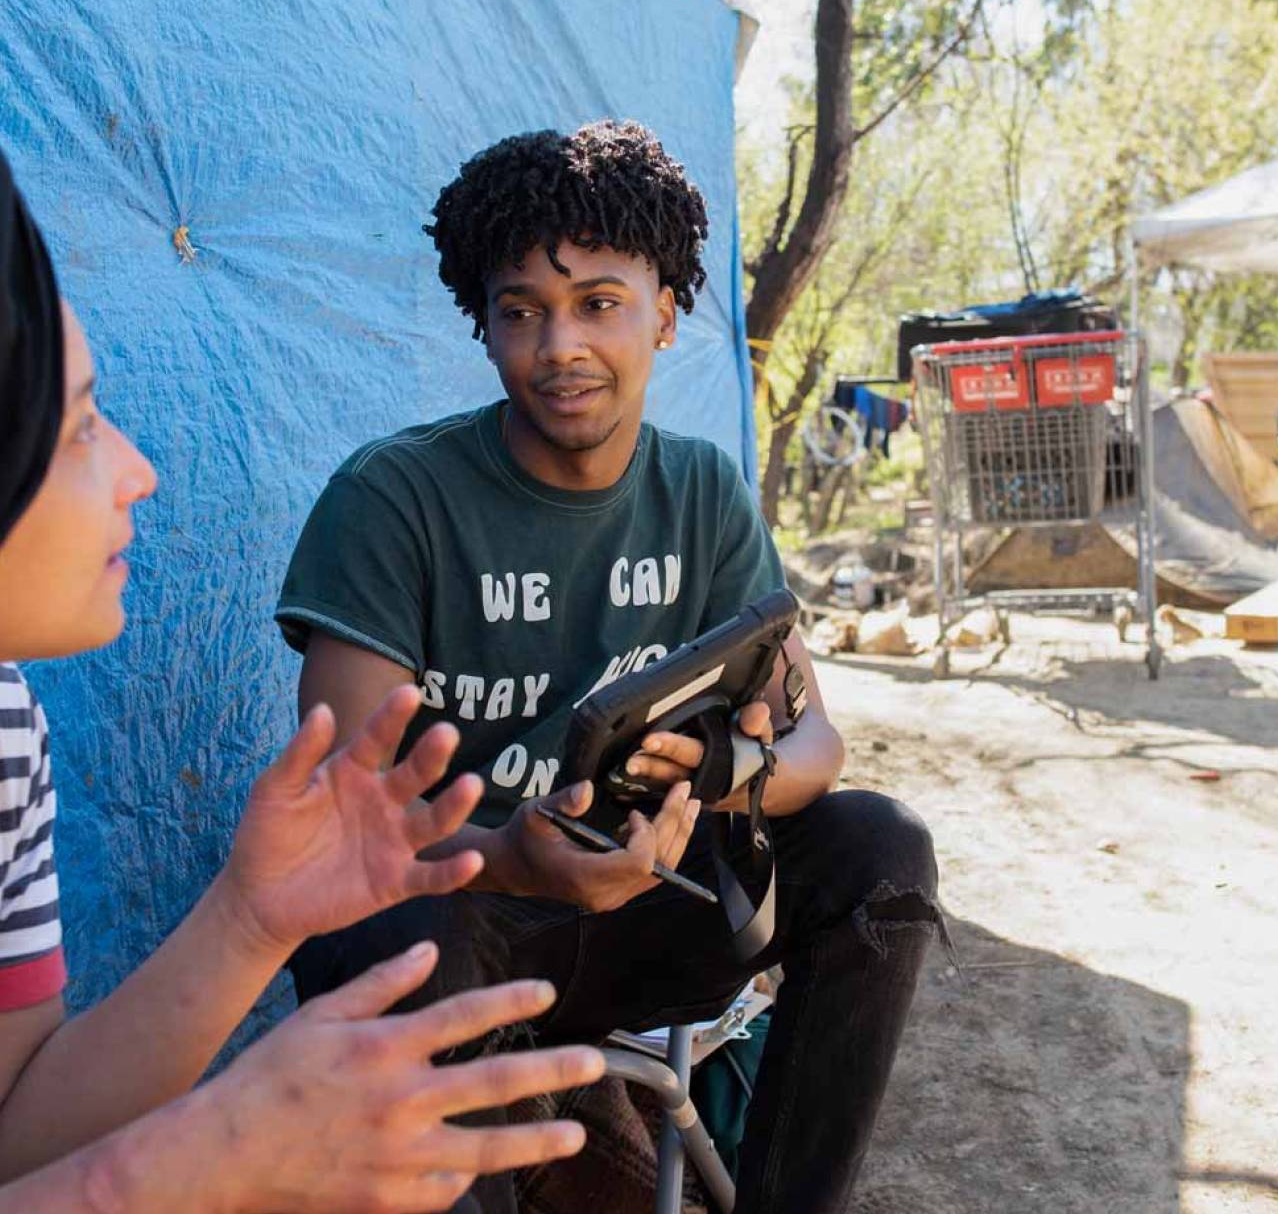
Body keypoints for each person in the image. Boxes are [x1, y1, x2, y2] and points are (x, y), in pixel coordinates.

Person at [278, 120, 942, 1214]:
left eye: (597, 302)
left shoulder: (704, 496)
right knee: (398, 927)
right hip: (467, 919)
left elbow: (817, 742)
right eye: (521, 311)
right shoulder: (395, 500)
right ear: (485, 328)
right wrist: (504, 857)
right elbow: (341, 818)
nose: (560, 348)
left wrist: (729, 776)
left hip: (654, 910)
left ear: (665, 314)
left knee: (881, 849)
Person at [0, 149, 606, 1212]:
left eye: (600, 304)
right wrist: (201, 1162)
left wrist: (249, 919)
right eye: (82, 424)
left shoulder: (6, 725)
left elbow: (13, 1141)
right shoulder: (394, 496)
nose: (139, 471)